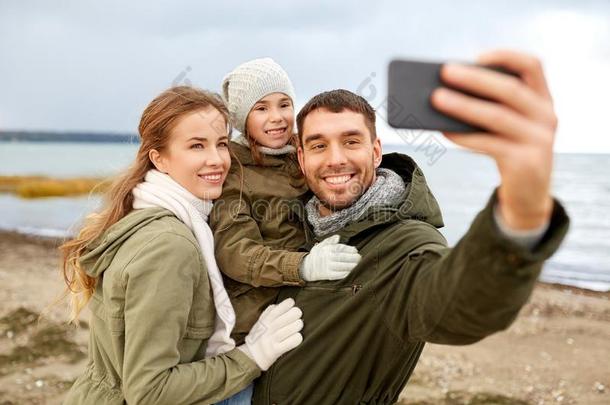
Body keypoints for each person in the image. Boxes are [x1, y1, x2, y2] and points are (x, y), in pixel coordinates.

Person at [252, 50, 570, 404]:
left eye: (351, 141)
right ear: (301, 157)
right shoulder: (287, 224)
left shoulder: (405, 244)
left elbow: (459, 307)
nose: (335, 158)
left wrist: (522, 213)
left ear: (375, 151)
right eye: (318, 145)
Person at [60, 86, 303, 405]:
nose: (216, 160)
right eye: (196, 146)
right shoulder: (169, 247)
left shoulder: (149, 213)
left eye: (220, 144)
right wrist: (252, 356)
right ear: (159, 159)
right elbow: (149, 391)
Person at [210, 58, 361, 346]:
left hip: (307, 300)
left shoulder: (302, 155)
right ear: (242, 117)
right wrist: (302, 266)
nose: (277, 117)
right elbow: (235, 253)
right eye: (262, 108)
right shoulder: (234, 172)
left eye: (284, 104)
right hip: (256, 318)